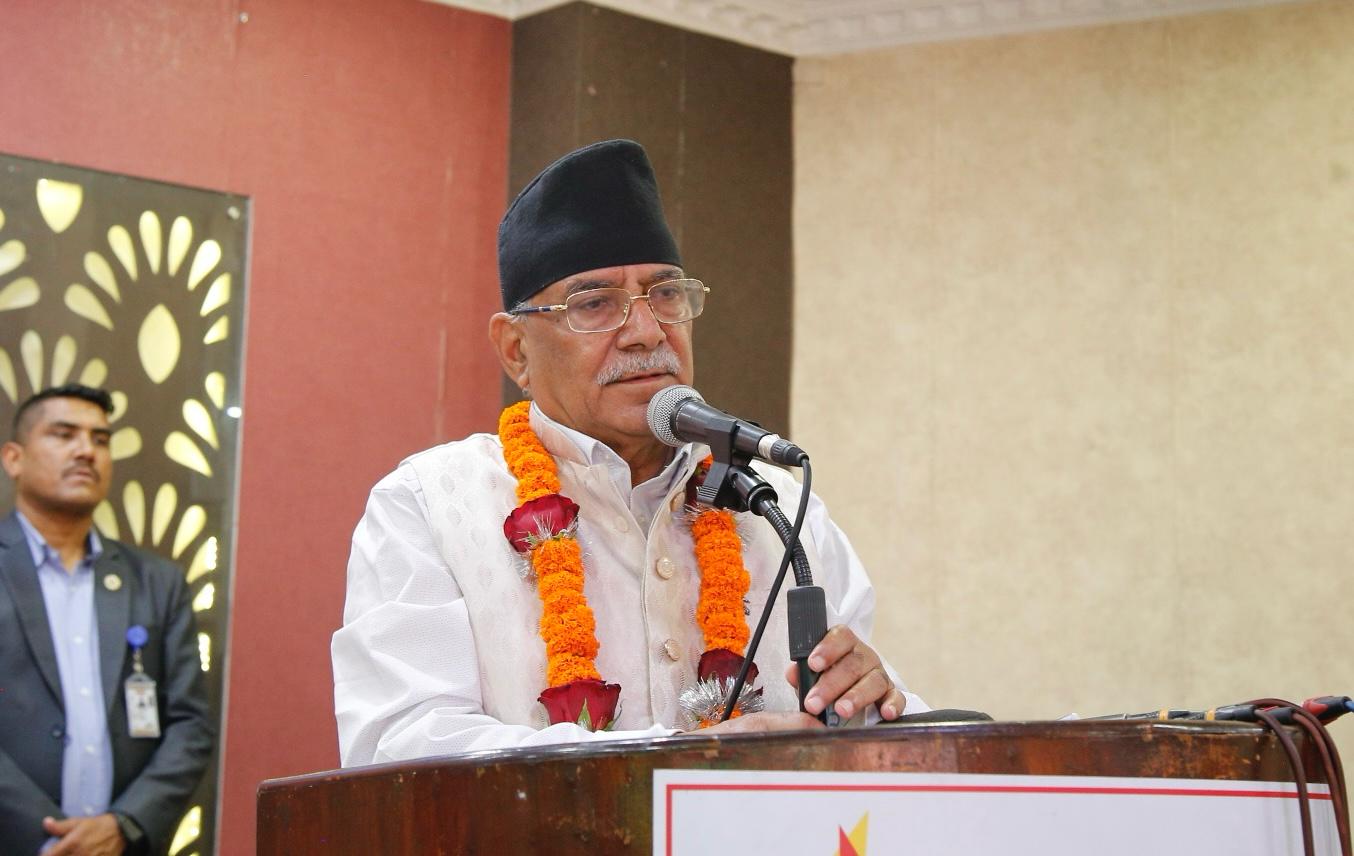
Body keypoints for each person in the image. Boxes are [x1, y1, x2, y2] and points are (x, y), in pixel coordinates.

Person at [332, 139, 926, 766]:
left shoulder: (779, 512)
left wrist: (869, 711)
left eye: (666, 294)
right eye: (594, 304)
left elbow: (888, 739)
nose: (646, 331)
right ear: (516, 351)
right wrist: (682, 760)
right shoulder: (428, 508)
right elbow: (399, 751)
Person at [0, 385, 213, 856]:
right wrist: (48, 836)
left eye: (100, 439)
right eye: (64, 435)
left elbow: (190, 726)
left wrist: (124, 824)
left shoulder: (156, 582)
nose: (86, 451)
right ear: (14, 458)